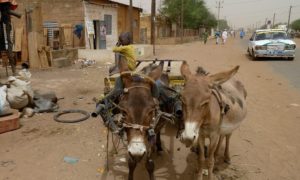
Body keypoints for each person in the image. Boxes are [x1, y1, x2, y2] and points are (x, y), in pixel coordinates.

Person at [95, 32, 136, 133]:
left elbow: (114, 49)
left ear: (127, 41)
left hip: (128, 68)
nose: (121, 42)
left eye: (122, 40)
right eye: (120, 40)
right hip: (129, 67)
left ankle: (107, 104)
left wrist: (118, 44)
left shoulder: (126, 48)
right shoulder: (130, 47)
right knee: (112, 69)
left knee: (106, 97)